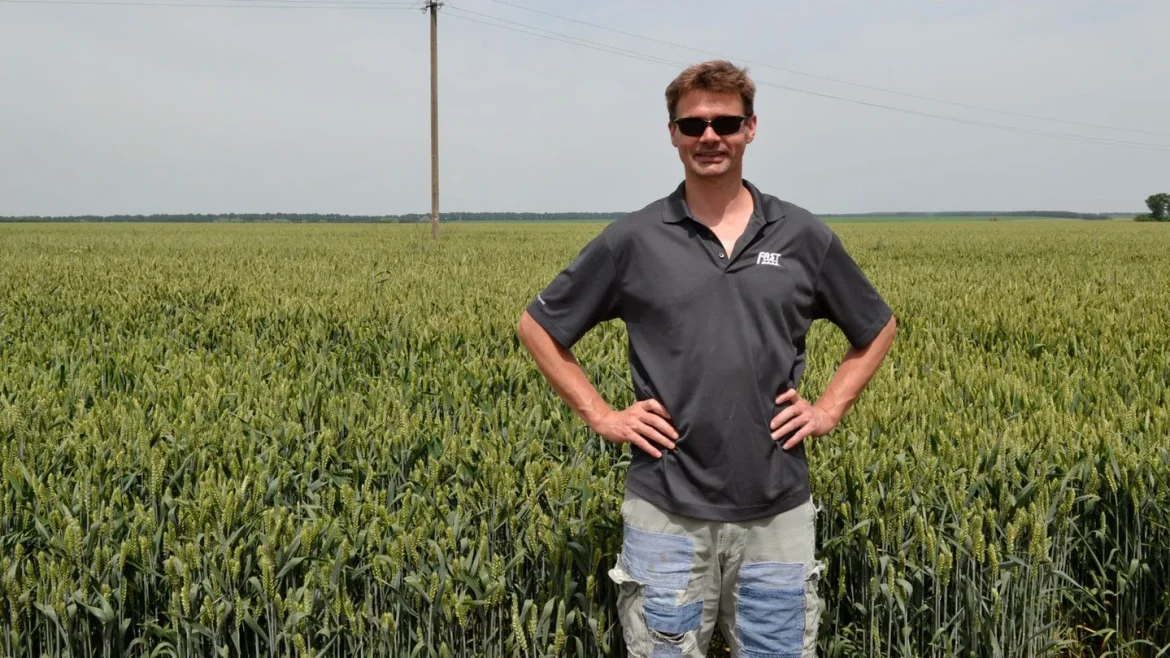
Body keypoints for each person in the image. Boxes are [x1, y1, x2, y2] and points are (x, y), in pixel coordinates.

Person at [516, 60, 896, 658]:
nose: (709, 137)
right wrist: (602, 415)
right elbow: (538, 326)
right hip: (665, 512)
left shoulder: (801, 236)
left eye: (725, 122)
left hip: (777, 514)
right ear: (672, 134)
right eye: (693, 125)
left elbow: (876, 327)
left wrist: (826, 410)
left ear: (751, 128)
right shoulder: (635, 239)